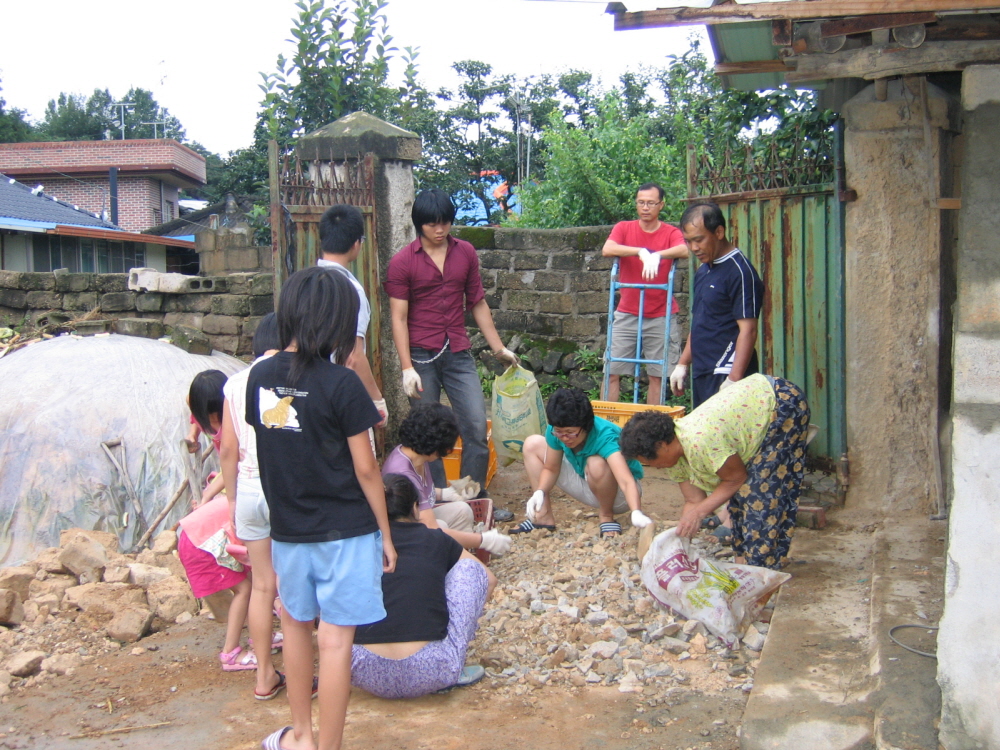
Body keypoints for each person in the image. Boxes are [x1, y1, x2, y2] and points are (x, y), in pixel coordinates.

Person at [249, 267, 396, 750]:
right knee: (335, 641)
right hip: (347, 533)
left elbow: (274, 446)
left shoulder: (260, 377)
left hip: (288, 532)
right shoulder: (342, 384)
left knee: (294, 626)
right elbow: (368, 470)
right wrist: (386, 534)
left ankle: (301, 737)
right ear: (339, 322)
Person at [384, 188, 519, 492]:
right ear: (420, 224)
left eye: (445, 222)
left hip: (457, 351)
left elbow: (478, 302)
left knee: (474, 424)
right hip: (421, 358)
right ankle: (436, 497)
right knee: (427, 434)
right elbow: (398, 317)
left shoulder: (465, 252)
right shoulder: (403, 262)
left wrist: (498, 348)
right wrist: (407, 368)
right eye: (433, 224)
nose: (440, 229)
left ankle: (474, 497)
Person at [619, 373, 810, 570]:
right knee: (740, 499)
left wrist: (699, 514)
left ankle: (762, 571)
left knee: (758, 494)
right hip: (757, 410)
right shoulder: (674, 458)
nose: (655, 467)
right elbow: (694, 501)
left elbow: (735, 479)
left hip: (780, 402)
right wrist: (679, 543)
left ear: (662, 445)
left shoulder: (701, 440)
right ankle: (743, 566)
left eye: (651, 460)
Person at [351, 473, 496, 698]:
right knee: (471, 569)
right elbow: (487, 579)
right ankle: (454, 664)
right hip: (433, 671)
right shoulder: (435, 539)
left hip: (364, 672)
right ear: (416, 508)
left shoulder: (356, 544)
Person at [219, 313, 286, 700]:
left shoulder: (234, 382)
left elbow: (228, 448)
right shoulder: (294, 374)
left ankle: (264, 676)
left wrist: (230, 498)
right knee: (291, 584)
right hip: (284, 489)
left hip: (247, 488)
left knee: (262, 586)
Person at [513, 387, 652, 538]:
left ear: (586, 426)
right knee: (532, 444)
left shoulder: (605, 435)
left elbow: (626, 480)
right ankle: (542, 516)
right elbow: (551, 468)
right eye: (560, 432)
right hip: (587, 482)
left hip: (619, 495)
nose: (565, 438)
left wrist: (636, 511)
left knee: (596, 462)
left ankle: (606, 516)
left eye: (570, 433)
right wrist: (540, 491)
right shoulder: (555, 430)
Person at [381, 402, 511, 557]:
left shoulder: (418, 456)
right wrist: (483, 540)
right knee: (440, 526)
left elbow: (420, 493)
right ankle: (451, 561)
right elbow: (431, 527)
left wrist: (444, 494)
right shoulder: (403, 472)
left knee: (462, 510)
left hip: (416, 522)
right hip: (403, 536)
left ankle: (461, 559)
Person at [670, 201, 764, 409]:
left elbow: (748, 330)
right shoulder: (704, 270)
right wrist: (683, 363)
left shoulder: (741, 272)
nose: (694, 248)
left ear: (719, 232)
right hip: (703, 370)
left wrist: (734, 379)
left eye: (699, 240)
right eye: (688, 241)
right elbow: (701, 321)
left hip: (726, 373)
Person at [601, 183, 689, 404]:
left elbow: (684, 249)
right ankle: (608, 425)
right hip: (627, 312)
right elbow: (608, 248)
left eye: (651, 203)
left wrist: (657, 255)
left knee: (657, 375)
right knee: (612, 370)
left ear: (661, 205)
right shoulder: (624, 228)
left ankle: (649, 431)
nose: (645, 207)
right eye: (641, 202)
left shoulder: (670, 232)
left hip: (660, 314)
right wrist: (641, 251)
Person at [317, 204, 387, 426]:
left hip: (305, 392)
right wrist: (377, 401)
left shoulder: (303, 283)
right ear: (357, 243)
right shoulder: (350, 289)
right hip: (339, 395)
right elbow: (353, 356)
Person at [176, 495, 253, 671]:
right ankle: (230, 653)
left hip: (197, 536)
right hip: (201, 543)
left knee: (251, 582)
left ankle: (260, 637)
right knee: (245, 589)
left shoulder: (247, 488)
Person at [186, 369, 228, 505]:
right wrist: (193, 434)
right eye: (208, 415)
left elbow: (236, 465)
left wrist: (208, 494)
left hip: (238, 468)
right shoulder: (193, 403)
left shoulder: (236, 421)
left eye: (217, 413)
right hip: (226, 467)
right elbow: (195, 416)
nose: (214, 418)